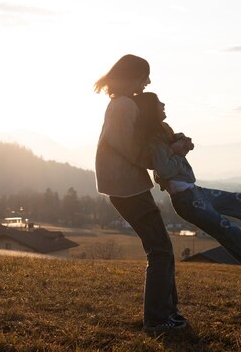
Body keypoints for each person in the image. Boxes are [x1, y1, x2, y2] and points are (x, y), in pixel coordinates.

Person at [131, 92, 241, 293]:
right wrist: (176, 150)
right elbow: (164, 170)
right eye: (158, 103)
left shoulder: (163, 131)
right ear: (151, 111)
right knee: (233, 234)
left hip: (196, 192)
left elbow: (175, 151)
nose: (163, 104)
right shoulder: (152, 141)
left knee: (238, 199)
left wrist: (182, 143)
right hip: (187, 201)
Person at [94, 55, 189, 333]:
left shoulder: (121, 104)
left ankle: (168, 313)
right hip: (127, 187)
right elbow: (129, 148)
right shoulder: (123, 106)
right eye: (144, 77)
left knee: (161, 249)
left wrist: (169, 141)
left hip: (127, 185)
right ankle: (158, 319)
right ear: (131, 76)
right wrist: (167, 154)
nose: (147, 82)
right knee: (160, 250)